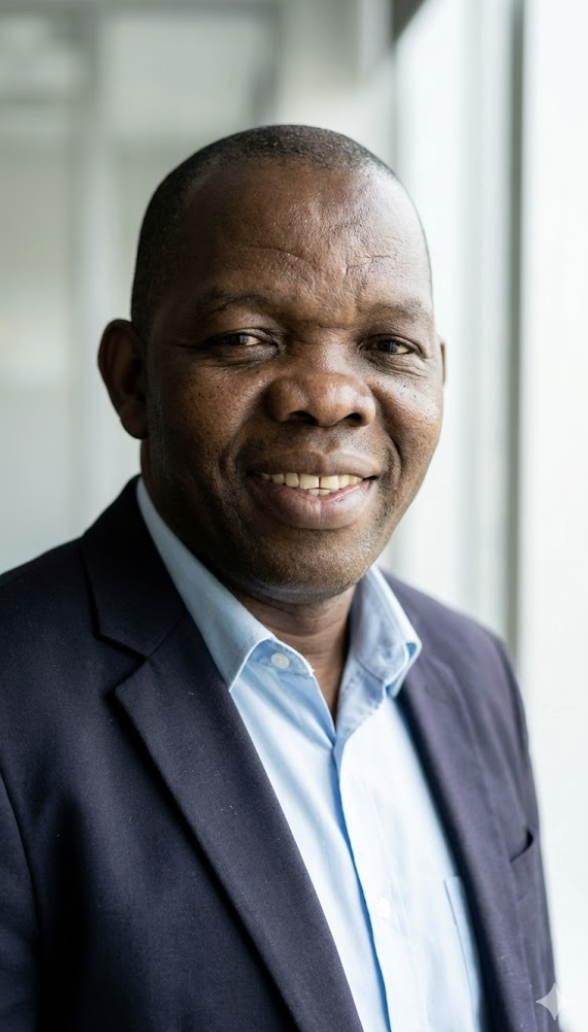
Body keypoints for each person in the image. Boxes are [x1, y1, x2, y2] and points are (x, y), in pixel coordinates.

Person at [0, 125, 557, 1032]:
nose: (330, 396)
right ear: (132, 380)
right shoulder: (15, 700)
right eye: (248, 338)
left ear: (440, 377)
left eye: (388, 345)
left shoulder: (473, 673)